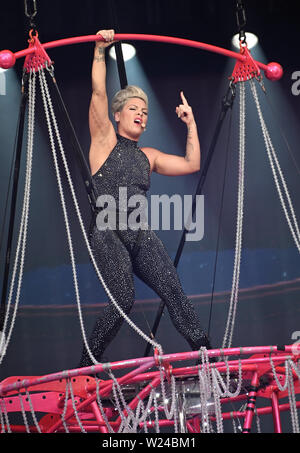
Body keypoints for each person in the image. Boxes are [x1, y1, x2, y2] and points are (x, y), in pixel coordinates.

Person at [79, 29, 211, 368]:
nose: (141, 114)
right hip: (107, 230)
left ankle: (206, 355)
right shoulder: (104, 139)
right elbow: (97, 91)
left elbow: (192, 163)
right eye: (134, 108)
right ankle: (88, 364)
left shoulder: (148, 156)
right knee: (123, 296)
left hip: (140, 234)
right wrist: (98, 50)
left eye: (146, 111)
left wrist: (191, 123)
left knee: (174, 290)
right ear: (118, 114)